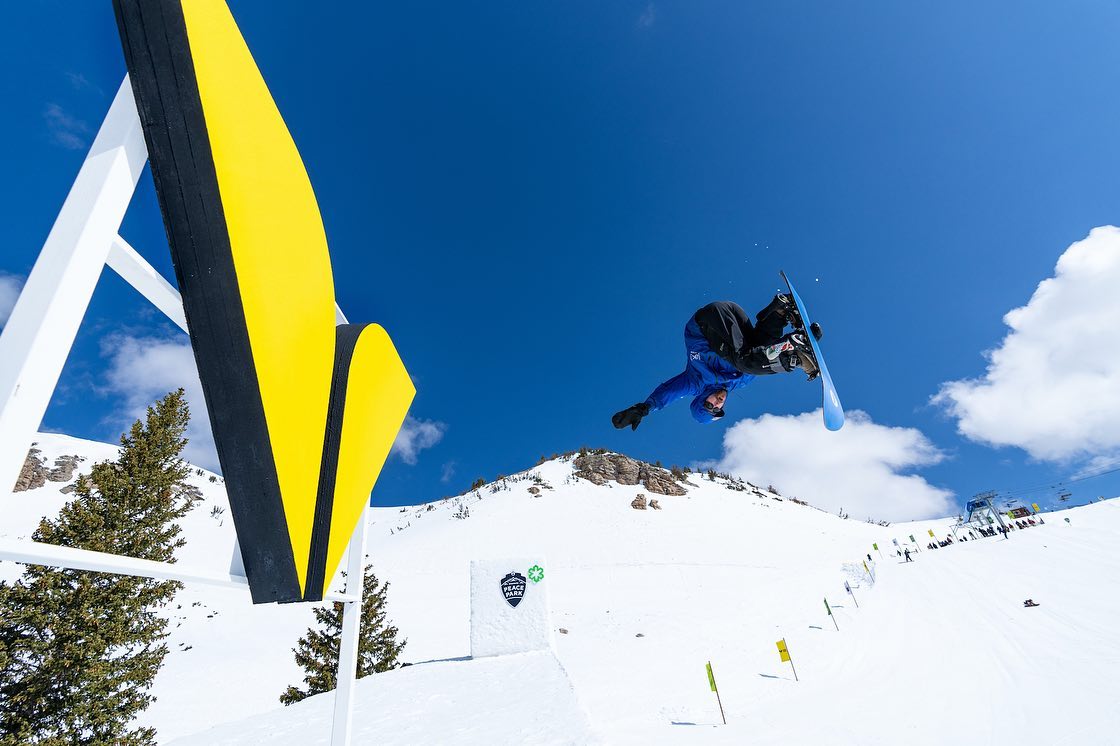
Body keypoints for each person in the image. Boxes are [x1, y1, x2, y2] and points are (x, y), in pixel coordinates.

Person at [612, 295, 822, 430]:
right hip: (735, 321)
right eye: (717, 408)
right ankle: (779, 311)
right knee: (756, 355)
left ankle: (793, 350)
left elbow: (669, 392)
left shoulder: (695, 382)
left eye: (709, 405)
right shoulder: (739, 382)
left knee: (746, 362)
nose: (717, 403)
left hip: (706, 324)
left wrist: (644, 408)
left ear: (700, 399)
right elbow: (764, 356)